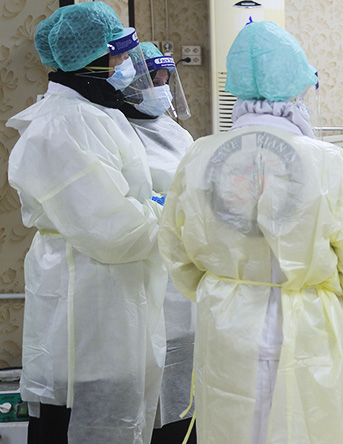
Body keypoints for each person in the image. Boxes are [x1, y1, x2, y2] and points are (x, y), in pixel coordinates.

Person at [157, 20, 343, 444]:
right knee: (307, 421)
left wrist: (224, 284)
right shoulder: (329, 162)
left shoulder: (200, 156)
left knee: (233, 420)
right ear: (297, 87)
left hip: (226, 318)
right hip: (307, 319)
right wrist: (316, 285)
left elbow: (176, 249)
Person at [6, 1, 166, 444]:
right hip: (88, 290)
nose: (122, 65)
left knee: (109, 401)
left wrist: (153, 206)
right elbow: (112, 229)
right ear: (90, 60)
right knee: (80, 415)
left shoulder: (92, 113)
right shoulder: (64, 125)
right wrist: (168, 215)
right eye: (115, 55)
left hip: (106, 289)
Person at [121, 41, 197, 443]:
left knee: (185, 350)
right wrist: (153, 205)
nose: (163, 88)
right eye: (155, 80)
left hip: (182, 257)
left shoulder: (175, 130)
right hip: (143, 258)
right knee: (151, 353)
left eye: (167, 79)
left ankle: (183, 427)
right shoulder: (117, 129)